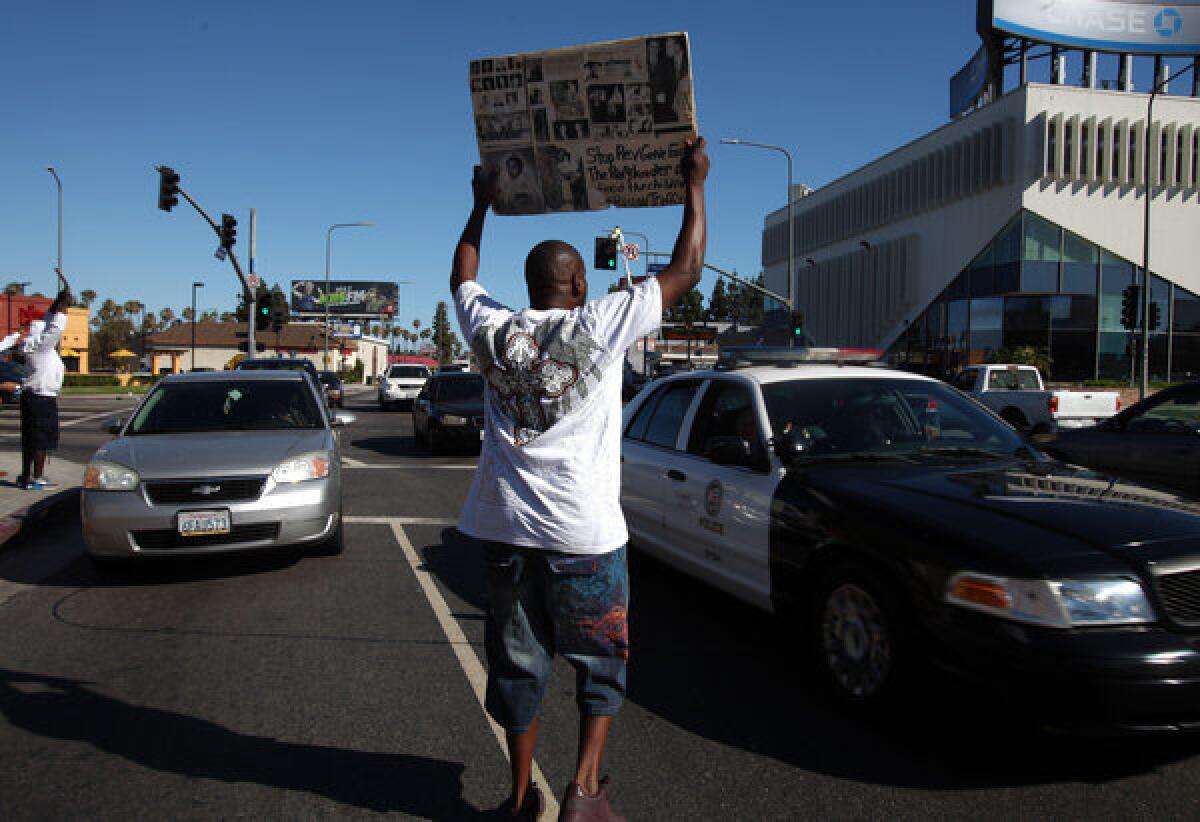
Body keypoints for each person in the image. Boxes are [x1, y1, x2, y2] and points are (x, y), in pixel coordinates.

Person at [451, 137, 709, 820]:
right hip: (586, 534)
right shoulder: (602, 321)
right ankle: (585, 789)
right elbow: (688, 267)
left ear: (532, 284)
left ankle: (518, 799)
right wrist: (695, 184)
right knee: (600, 660)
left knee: (516, 663)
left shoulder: (493, 330)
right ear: (577, 285)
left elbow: (462, 275)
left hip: (506, 532)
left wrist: (479, 206)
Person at [18, 289, 73, 490]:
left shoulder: (33, 345)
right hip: (41, 398)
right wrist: (64, 307)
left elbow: (48, 320)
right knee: (40, 439)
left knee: (31, 438)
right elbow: (55, 328)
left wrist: (58, 302)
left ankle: (26, 476)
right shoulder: (40, 347)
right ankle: (36, 478)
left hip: (35, 397)